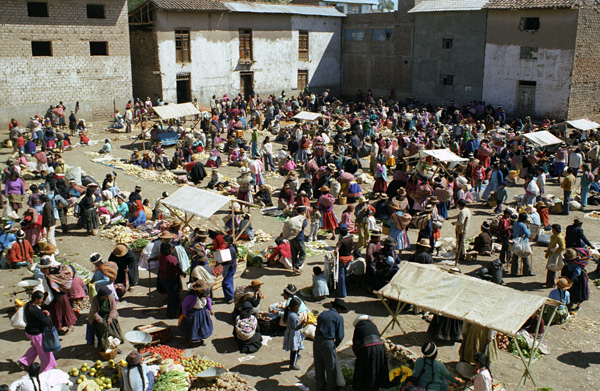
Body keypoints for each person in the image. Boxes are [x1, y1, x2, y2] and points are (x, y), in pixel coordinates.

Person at [18, 291, 56, 373]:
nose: (42, 300)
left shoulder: (29, 305)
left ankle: (23, 361)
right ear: (36, 299)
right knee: (44, 351)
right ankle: (47, 367)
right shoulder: (36, 310)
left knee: (35, 348)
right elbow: (45, 322)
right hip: (36, 334)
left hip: (29, 332)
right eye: (41, 299)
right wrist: (47, 315)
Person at [314, 298, 346, 391]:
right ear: (339, 309)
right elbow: (340, 335)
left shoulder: (322, 314)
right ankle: (331, 388)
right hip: (328, 342)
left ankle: (320, 386)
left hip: (317, 341)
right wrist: (335, 345)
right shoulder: (338, 317)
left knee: (319, 364)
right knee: (331, 367)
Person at [39, 257, 77, 334]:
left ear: (45, 269)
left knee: (58, 312)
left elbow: (48, 291)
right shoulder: (56, 271)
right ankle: (70, 327)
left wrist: (45, 302)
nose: (41, 270)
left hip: (56, 298)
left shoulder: (47, 278)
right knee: (66, 311)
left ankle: (56, 328)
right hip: (63, 295)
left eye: (42, 269)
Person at [351, 315, 389, 391]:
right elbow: (378, 336)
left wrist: (358, 355)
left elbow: (355, 343)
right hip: (379, 347)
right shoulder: (373, 325)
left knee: (364, 369)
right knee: (378, 366)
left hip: (366, 348)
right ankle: (377, 385)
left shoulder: (358, 327)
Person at [88, 285, 123, 353]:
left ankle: (114, 347)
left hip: (109, 315)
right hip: (99, 317)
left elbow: (113, 309)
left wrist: (109, 319)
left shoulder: (110, 296)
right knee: (103, 334)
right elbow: (94, 312)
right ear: (101, 296)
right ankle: (104, 348)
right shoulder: (95, 299)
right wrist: (101, 321)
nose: (107, 297)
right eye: (105, 296)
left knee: (113, 334)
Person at [180, 281, 213, 346]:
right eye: (201, 289)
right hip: (194, 313)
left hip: (203, 312)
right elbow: (184, 305)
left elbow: (208, 301)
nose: (203, 290)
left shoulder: (205, 293)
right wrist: (184, 313)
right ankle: (192, 340)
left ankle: (199, 339)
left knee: (202, 326)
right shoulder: (191, 296)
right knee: (193, 327)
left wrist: (210, 309)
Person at [158, 242, 183, 318]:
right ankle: (171, 313)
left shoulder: (161, 256)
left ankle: (177, 302)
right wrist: (182, 273)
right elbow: (177, 269)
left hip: (162, 277)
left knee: (171, 293)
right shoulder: (172, 259)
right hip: (170, 279)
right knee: (172, 297)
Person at [282, 297, 305, 370]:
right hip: (294, 334)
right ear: (295, 307)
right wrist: (302, 323)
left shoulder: (289, 312)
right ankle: (293, 364)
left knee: (295, 348)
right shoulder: (293, 316)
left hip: (290, 332)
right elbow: (296, 327)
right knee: (295, 349)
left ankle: (295, 357)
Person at [335, 224, 353, 298]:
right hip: (349, 258)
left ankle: (342, 293)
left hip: (342, 259)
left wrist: (336, 254)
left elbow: (336, 250)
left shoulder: (341, 241)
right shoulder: (350, 238)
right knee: (346, 274)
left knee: (341, 276)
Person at [290, 206, 307, 275]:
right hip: (299, 239)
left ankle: (294, 269)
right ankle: (296, 267)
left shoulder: (293, 218)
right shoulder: (302, 219)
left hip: (292, 238)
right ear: (302, 212)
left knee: (294, 253)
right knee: (303, 253)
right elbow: (303, 226)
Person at [453, 199, 471, 263]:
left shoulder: (463, 211)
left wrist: (454, 223)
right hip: (463, 229)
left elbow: (461, 222)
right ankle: (461, 255)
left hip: (461, 229)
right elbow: (458, 216)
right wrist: (450, 218)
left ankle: (461, 256)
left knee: (461, 243)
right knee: (461, 242)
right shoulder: (466, 210)